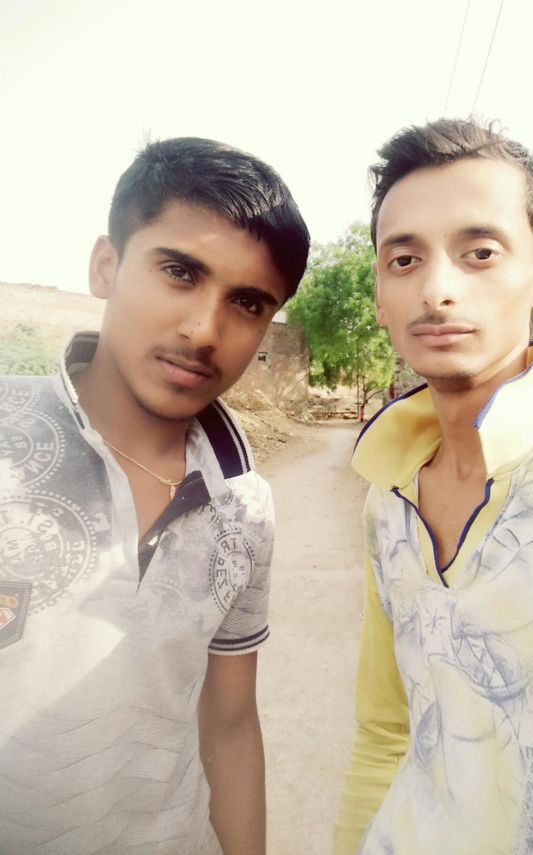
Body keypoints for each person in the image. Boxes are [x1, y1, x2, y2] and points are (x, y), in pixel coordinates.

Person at [334, 118, 533, 854]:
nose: (436, 290)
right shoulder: (388, 498)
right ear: (380, 294)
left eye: (479, 253)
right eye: (404, 259)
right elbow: (386, 731)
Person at [0, 137, 309, 855]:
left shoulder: (245, 507)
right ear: (105, 266)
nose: (203, 330)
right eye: (179, 272)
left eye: (247, 302)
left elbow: (230, 724)